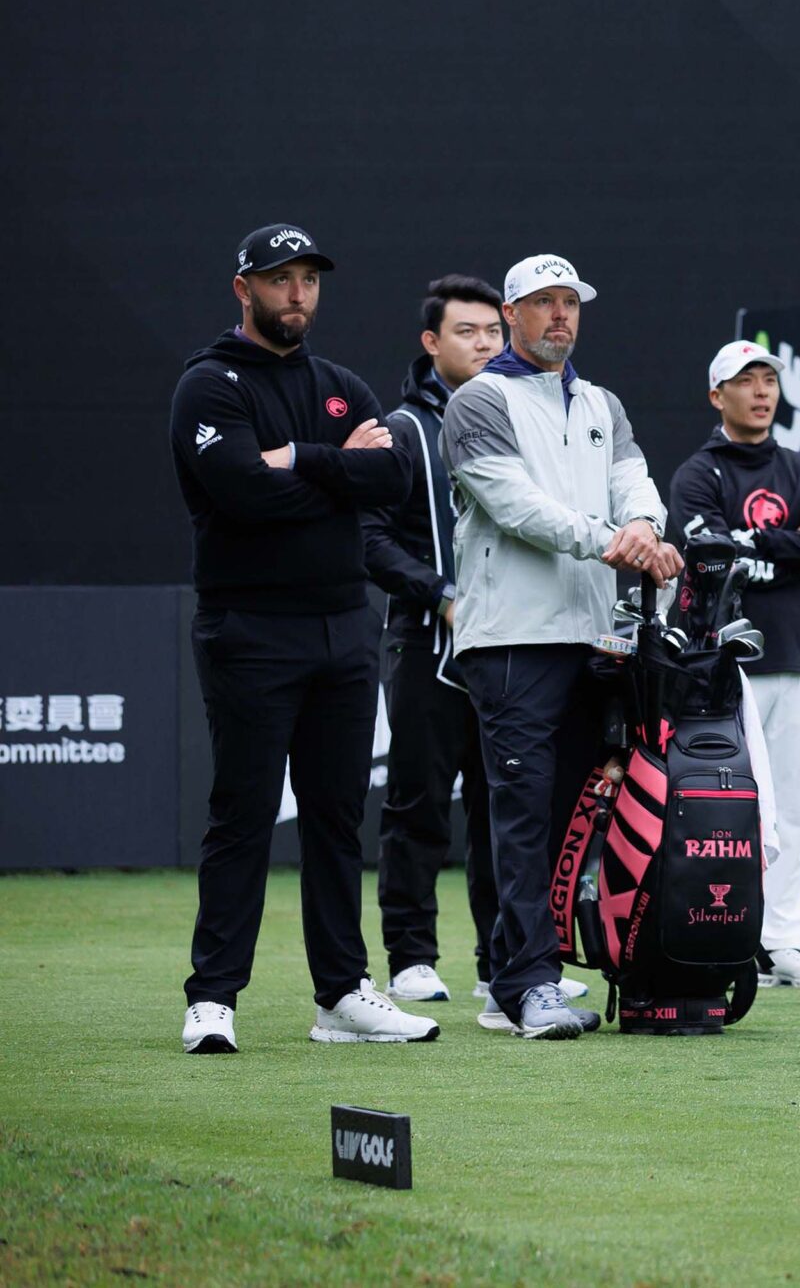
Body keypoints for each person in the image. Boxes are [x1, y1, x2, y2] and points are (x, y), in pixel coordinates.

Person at [169, 224, 436, 1053]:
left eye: (309, 280)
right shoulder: (209, 386)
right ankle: (213, 998)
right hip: (249, 627)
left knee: (332, 818)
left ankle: (341, 996)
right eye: (280, 279)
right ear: (243, 288)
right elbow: (244, 494)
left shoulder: (340, 384)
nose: (298, 294)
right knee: (243, 813)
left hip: (341, 629)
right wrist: (330, 469)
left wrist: (296, 459)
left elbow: (392, 479)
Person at [443, 253, 682, 1039]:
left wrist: (644, 525)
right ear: (510, 314)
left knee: (567, 817)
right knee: (520, 817)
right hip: (511, 638)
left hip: (589, 637)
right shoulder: (478, 400)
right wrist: (617, 539)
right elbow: (516, 508)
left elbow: (634, 479)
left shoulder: (602, 403)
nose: (559, 316)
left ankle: (517, 979)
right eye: (542, 302)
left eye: (570, 302)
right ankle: (526, 981)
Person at [670, 341, 800, 989]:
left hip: (797, 660)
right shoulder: (700, 472)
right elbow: (709, 549)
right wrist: (789, 543)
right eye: (745, 379)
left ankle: (782, 943)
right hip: (727, 664)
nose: (761, 390)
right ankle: (726, 935)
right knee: (726, 809)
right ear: (717, 395)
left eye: (768, 378)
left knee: (792, 810)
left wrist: (757, 542)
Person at [362, 275, 506, 1008]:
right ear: (432, 342)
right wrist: (441, 593)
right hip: (426, 642)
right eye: (466, 332)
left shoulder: (526, 420)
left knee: (503, 810)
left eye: (492, 331)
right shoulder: (403, 428)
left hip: (513, 648)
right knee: (418, 803)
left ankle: (501, 961)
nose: (483, 343)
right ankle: (412, 957)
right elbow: (371, 541)